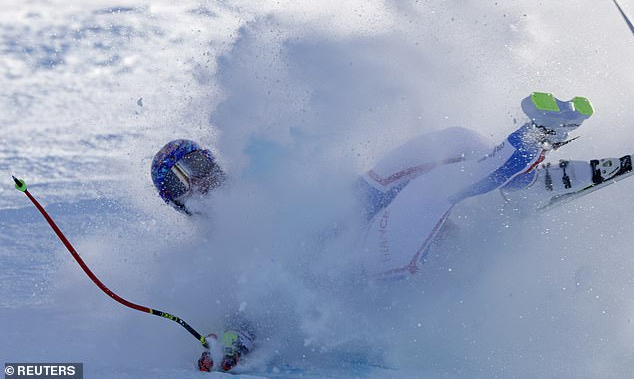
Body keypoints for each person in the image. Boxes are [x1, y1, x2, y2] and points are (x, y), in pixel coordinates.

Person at [150, 92, 632, 370]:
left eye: (196, 164)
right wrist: (229, 343)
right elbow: (249, 315)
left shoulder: (258, 193)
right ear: (178, 202)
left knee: (454, 142)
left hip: (355, 216)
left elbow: (321, 203)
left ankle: (527, 185)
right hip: (362, 271)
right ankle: (530, 143)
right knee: (430, 193)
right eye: (182, 181)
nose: (198, 181)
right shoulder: (218, 247)